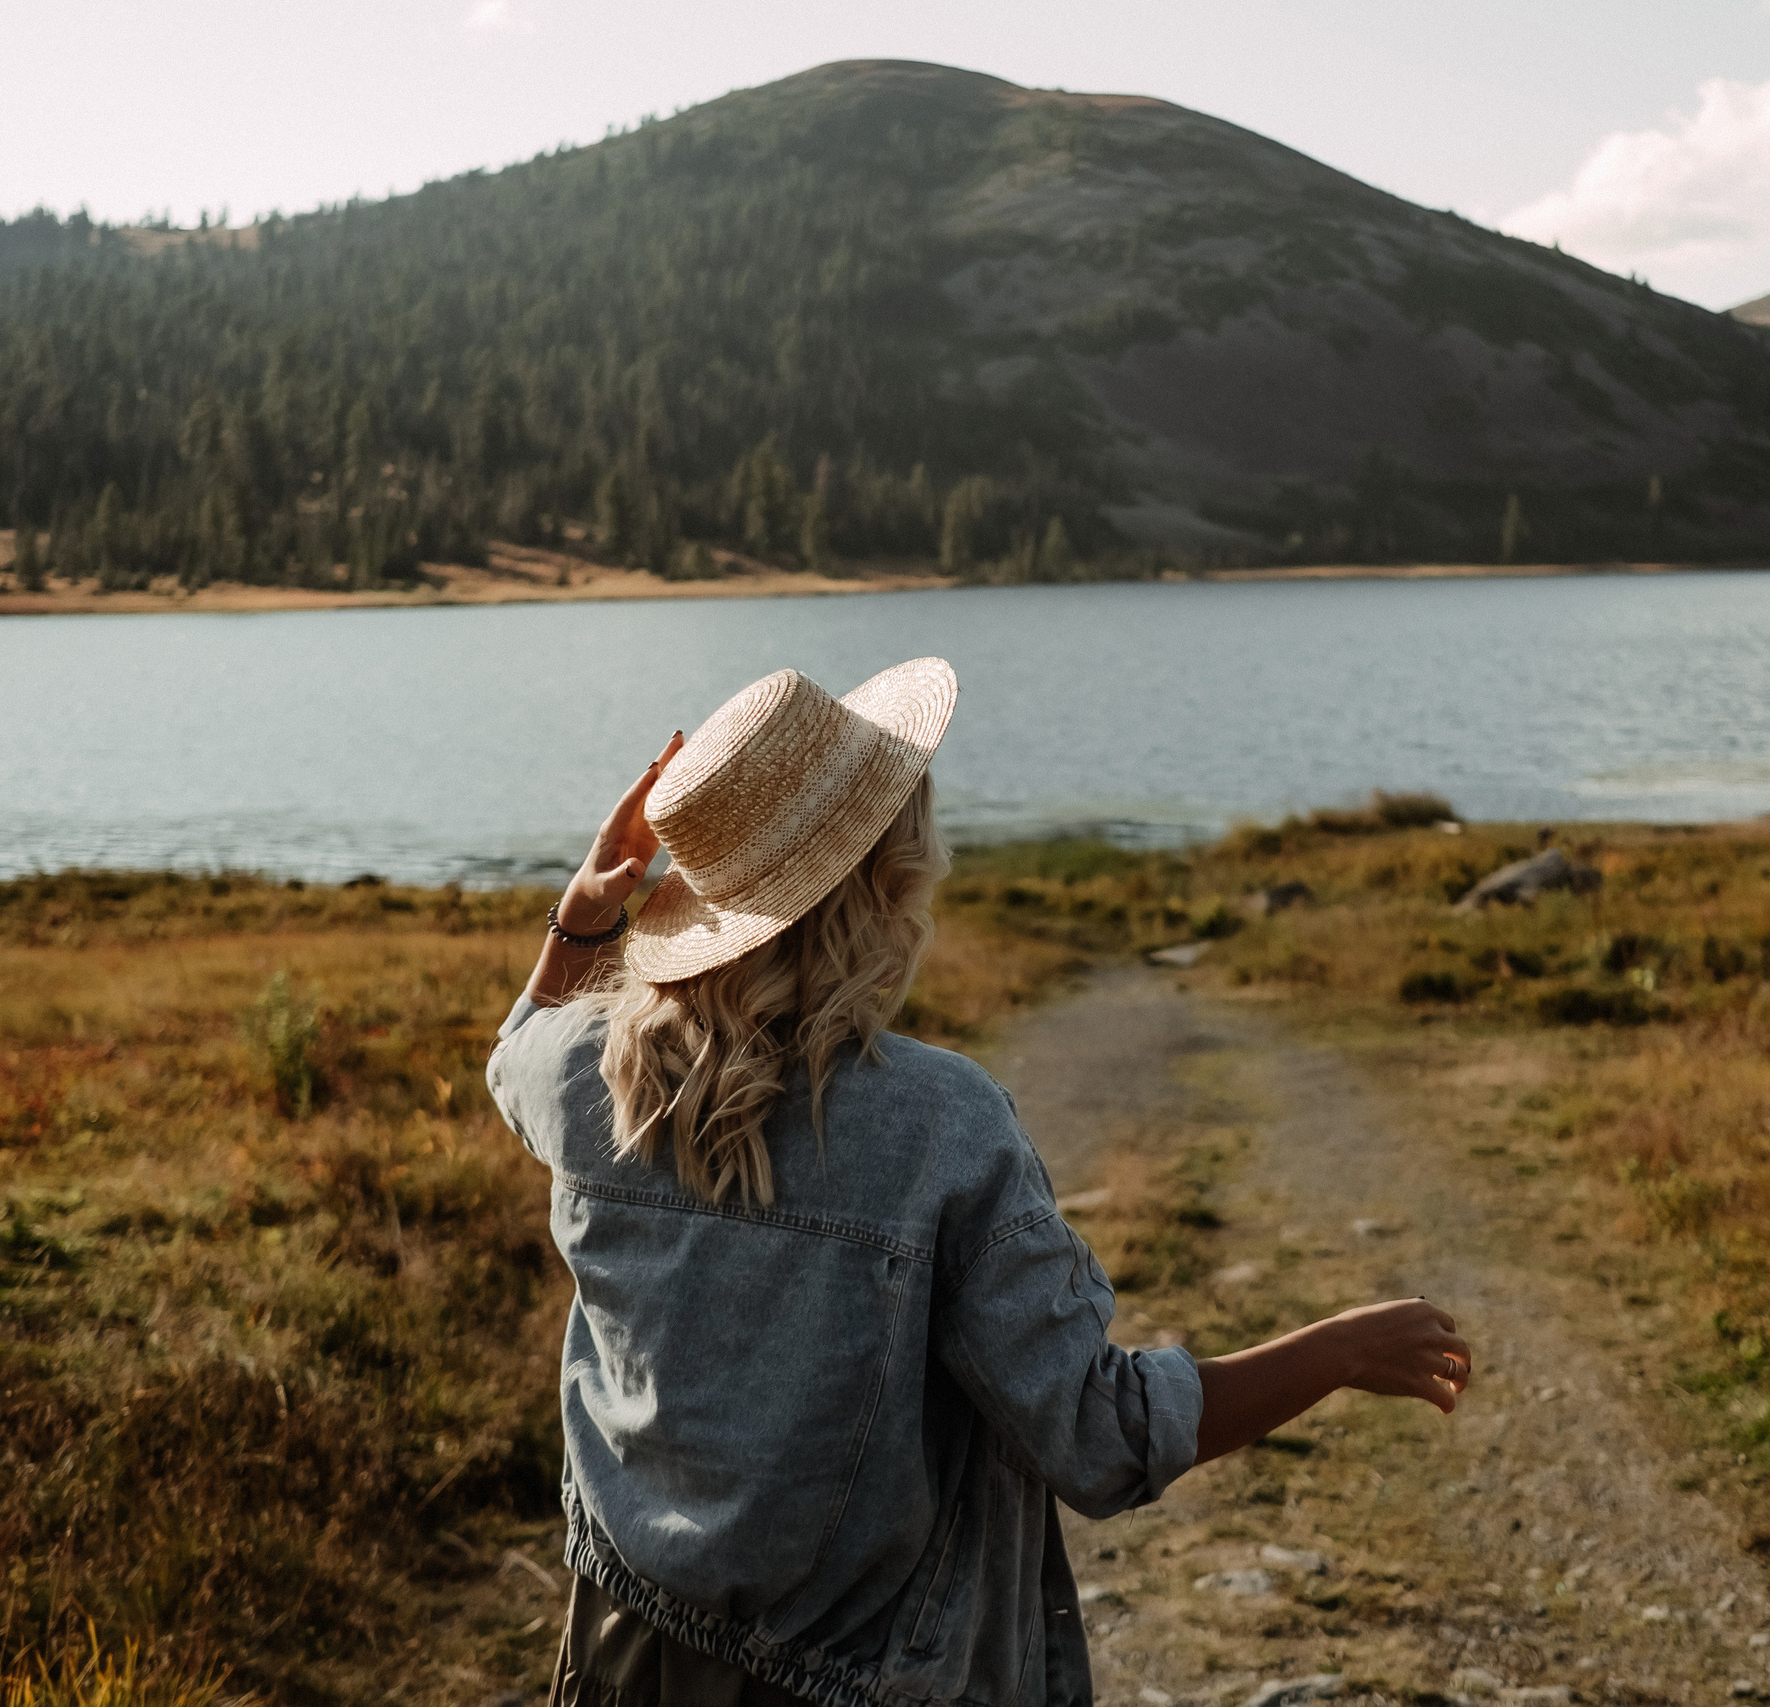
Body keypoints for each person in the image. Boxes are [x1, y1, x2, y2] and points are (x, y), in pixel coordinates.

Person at [487, 658, 1471, 1707]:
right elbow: (1097, 1440)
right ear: (884, 884)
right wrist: (1341, 1347)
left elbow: (517, 1051)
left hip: (623, 1658)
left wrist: (584, 919)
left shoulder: (580, 1075)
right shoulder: (938, 1124)